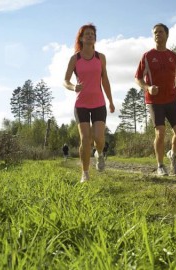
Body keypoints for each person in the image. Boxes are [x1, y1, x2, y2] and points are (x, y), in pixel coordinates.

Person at [64, 23, 115, 183]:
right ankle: (85, 173)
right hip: (81, 105)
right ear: (81, 37)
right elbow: (65, 80)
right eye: (87, 34)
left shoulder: (101, 57)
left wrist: (111, 101)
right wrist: (73, 87)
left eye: (92, 34)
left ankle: (99, 153)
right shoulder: (75, 58)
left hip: (99, 103)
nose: (90, 36)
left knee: (99, 138)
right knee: (85, 139)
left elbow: (105, 80)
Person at [135, 23, 176, 176]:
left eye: (160, 32)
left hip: (171, 99)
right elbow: (138, 78)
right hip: (154, 100)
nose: (158, 34)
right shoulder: (147, 56)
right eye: (155, 32)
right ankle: (160, 165)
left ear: (167, 35)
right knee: (161, 132)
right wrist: (147, 88)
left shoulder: (173, 56)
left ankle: (173, 154)